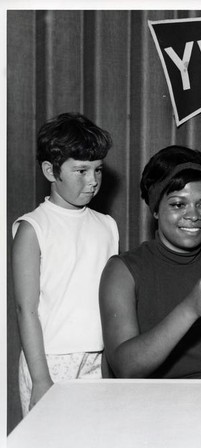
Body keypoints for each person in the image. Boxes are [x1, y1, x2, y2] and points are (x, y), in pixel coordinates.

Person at [99, 145, 201, 379]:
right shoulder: (123, 270)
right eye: (178, 204)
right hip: (154, 406)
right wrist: (190, 309)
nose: (194, 216)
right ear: (156, 210)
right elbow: (126, 368)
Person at [12, 112, 119, 416]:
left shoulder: (107, 225)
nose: (93, 181)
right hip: (50, 361)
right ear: (50, 171)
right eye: (81, 171)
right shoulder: (33, 228)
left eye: (98, 170)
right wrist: (41, 379)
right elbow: (26, 309)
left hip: (99, 359)